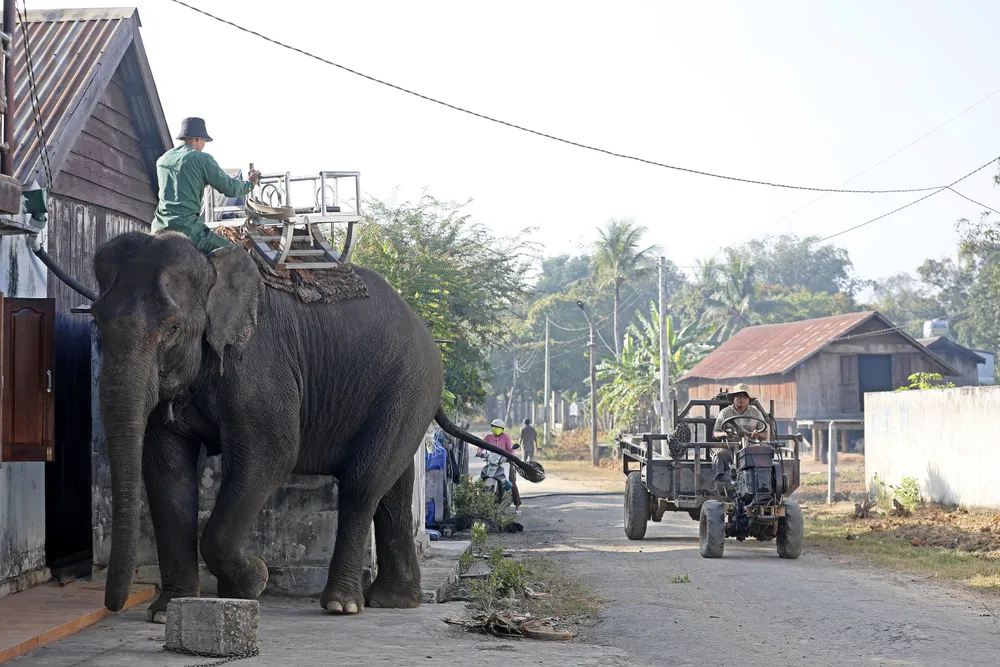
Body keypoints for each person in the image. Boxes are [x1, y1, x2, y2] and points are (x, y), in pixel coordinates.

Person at [151, 117, 261, 253]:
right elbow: (231, 188)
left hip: (159, 228)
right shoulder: (201, 159)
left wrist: (200, 182)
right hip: (188, 229)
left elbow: (177, 188)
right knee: (234, 254)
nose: (204, 145)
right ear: (197, 138)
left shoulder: (163, 160)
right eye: (204, 141)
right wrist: (250, 183)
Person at [710, 384, 769, 485]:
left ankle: (761, 483)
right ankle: (720, 482)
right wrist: (725, 434)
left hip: (750, 447)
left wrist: (757, 435)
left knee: (762, 455)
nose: (741, 399)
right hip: (729, 447)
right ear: (733, 398)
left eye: (744, 396)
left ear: (749, 399)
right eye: (738, 396)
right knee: (720, 455)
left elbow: (765, 434)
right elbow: (715, 433)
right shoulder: (725, 413)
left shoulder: (756, 413)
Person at [482, 419, 521, 514]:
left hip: (505, 461)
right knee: (483, 478)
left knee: (511, 482)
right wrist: (480, 452)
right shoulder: (488, 437)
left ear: (502, 429)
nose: (495, 429)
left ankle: (518, 505)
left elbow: (511, 450)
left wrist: (509, 456)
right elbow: (481, 445)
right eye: (494, 427)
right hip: (493, 462)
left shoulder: (506, 437)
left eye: (498, 428)